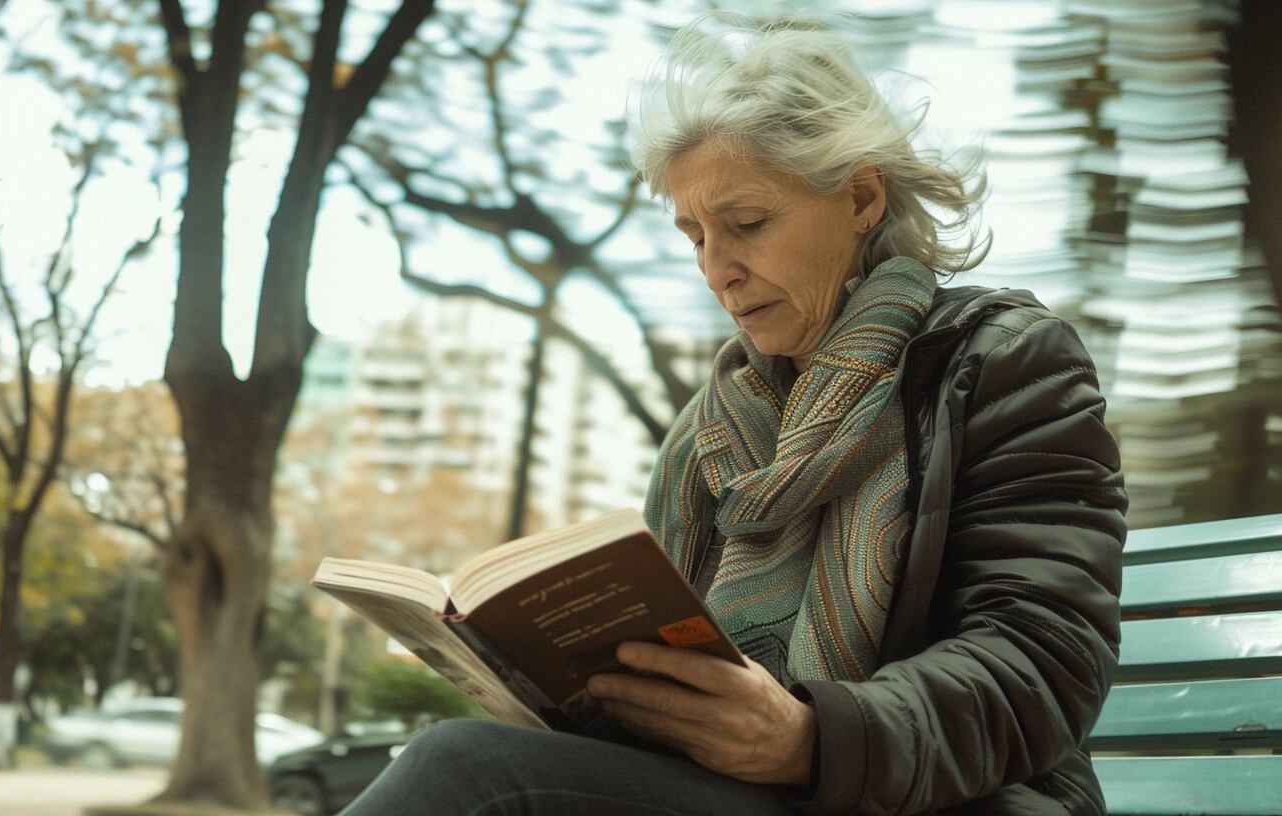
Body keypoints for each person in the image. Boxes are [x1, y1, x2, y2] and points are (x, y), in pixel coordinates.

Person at [341, 13, 1126, 816]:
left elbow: (1045, 660)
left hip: (940, 800)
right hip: (739, 791)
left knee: (469, 773)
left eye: (747, 224)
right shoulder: (710, 431)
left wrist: (810, 739)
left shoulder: (1005, 364)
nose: (718, 269)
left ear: (860, 196)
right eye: (694, 236)